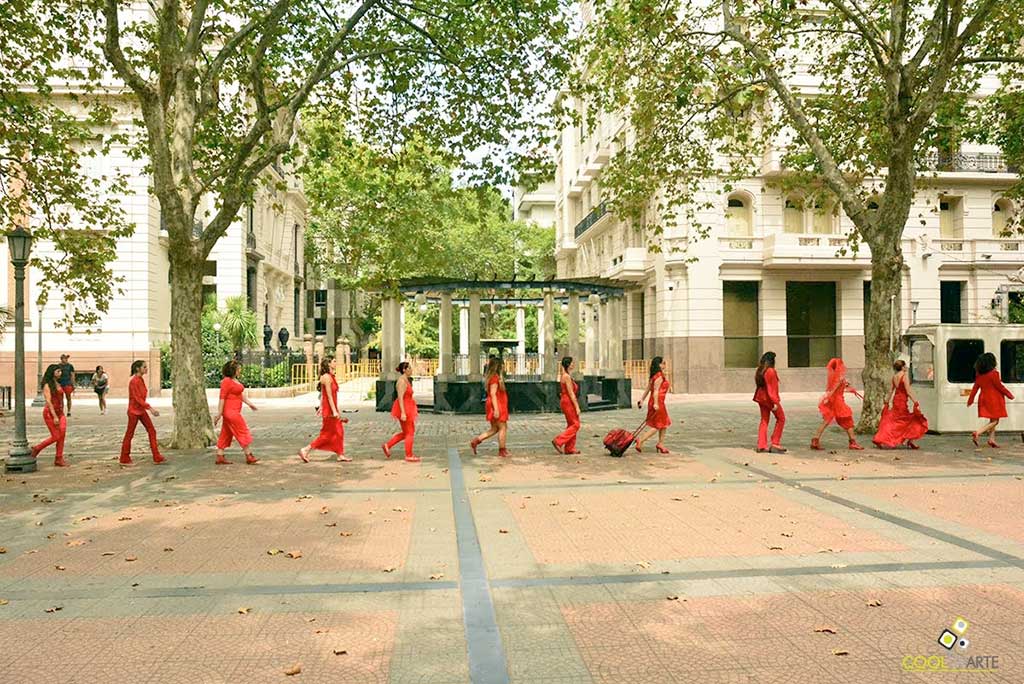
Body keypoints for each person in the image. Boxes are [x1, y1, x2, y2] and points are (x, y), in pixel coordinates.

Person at [299, 357, 349, 462]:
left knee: (338, 431)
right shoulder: (326, 377)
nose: (336, 363)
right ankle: (306, 449)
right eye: (334, 361)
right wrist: (334, 411)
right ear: (329, 364)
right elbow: (329, 396)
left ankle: (340, 454)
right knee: (326, 435)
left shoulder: (331, 376)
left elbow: (323, 395)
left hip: (331, 408)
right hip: (330, 410)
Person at [811, 358, 864, 451]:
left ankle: (815, 440)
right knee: (848, 420)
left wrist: (844, 386)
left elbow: (835, 388)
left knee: (826, 421)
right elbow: (834, 389)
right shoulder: (840, 378)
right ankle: (853, 442)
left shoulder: (834, 377)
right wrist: (828, 397)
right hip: (838, 401)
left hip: (833, 400)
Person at [873, 360, 928, 449]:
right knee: (907, 420)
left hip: (896, 400)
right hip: (902, 401)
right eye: (905, 365)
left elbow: (891, 390)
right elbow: (908, 390)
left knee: (895, 420)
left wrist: (887, 400)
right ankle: (909, 440)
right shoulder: (904, 376)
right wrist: (915, 401)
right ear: (902, 367)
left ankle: (884, 438)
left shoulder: (894, 377)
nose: (906, 367)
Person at [119, 360, 166, 465]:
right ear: (138, 368)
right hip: (134, 411)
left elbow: (141, 398)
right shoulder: (134, 381)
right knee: (130, 434)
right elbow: (137, 398)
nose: (146, 369)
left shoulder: (140, 379)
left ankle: (156, 456)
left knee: (152, 431)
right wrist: (151, 409)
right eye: (144, 367)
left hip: (141, 410)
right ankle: (124, 457)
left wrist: (147, 408)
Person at [213, 360, 259, 465]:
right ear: (233, 370)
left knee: (226, 433)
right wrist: (219, 413)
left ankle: (220, 456)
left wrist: (250, 404)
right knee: (242, 431)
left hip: (233, 411)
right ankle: (249, 455)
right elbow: (222, 398)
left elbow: (240, 395)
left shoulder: (234, 381)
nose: (240, 371)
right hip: (231, 412)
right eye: (238, 369)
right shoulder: (226, 381)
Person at [967, 352, 1014, 448]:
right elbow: (1000, 386)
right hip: (994, 399)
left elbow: (975, 388)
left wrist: (970, 400)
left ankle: (991, 439)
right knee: (995, 421)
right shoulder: (994, 374)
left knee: (992, 419)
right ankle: (978, 432)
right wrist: (1009, 394)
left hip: (984, 399)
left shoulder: (979, 375)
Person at [470, 357, 510, 457]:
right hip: (497, 405)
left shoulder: (492, 377)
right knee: (503, 427)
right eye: (502, 365)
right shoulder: (495, 378)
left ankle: (476, 441)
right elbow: (493, 394)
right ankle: (502, 450)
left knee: (494, 429)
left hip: (496, 404)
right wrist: (496, 409)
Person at [382, 361, 420, 462]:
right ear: (404, 370)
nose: (411, 370)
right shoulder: (402, 381)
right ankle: (409, 454)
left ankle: (388, 445)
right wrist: (403, 412)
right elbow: (400, 397)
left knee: (406, 432)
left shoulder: (406, 380)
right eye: (409, 368)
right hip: (405, 408)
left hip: (408, 407)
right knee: (410, 432)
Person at [30, 364, 68, 467]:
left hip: (60, 413)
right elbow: (48, 401)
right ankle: (37, 448)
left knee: (62, 434)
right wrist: (55, 416)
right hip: (50, 413)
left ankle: (59, 458)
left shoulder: (58, 383)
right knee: (56, 436)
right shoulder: (47, 385)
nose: (60, 373)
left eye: (60, 371)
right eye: (58, 371)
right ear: (52, 372)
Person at [636, 356, 671, 453]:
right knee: (657, 425)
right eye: (663, 363)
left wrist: (642, 399)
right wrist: (656, 404)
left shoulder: (654, 376)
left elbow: (648, 389)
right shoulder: (659, 376)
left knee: (664, 423)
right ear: (659, 364)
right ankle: (641, 440)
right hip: (658, 402)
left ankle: (661, 443)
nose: (664, 365)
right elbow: (655, 391)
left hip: (656, 401)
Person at [753, 351, 786, 454]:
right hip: (769, 399)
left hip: (760, 398)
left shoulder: (760, 370)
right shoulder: (771, 371)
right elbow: (772, 389)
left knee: (764, 420)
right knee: (781, 418)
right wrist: (775, 402)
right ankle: (775, 443)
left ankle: (761, 445)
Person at [552, 356, 581, 455]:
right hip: (568, 401)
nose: (573, 364)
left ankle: (569, 448)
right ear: (568, 364)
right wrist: (577, 406)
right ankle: (558, 440)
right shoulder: (566, 377)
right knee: (576, 425)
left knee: (571, 424)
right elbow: (571, 393)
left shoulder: (566, 375)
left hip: (566, 401)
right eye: (572, 363)